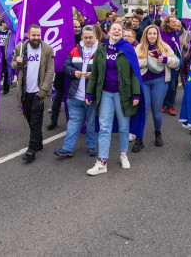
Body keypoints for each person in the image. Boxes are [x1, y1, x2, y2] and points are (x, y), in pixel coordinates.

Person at [85, 23, 141, 175]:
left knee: (124, 127)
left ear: (122, 33)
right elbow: (95, 73)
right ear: (108, 32)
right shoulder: (101, 49)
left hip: (124, 94)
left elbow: (134, 73)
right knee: (104, 128)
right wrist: (89, 93)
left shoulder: (128, 49)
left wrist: (136, 94)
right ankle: (102, 162)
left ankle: (123, 154)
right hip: (105, 94)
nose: (116, 31)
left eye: (119, 29)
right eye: (113, 29)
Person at [11, 24, 55, 162]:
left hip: (38, 91)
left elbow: (50, 70)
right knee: (29, 117)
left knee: (35, 120)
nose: (36, 38)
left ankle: (31, 149)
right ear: (28, 35)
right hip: (25, 91)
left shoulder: (47, 49)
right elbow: (13, 64)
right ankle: (38, 141)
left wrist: (44, 89)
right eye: (33, 35)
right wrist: (17, 63)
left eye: (38, 35)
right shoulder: (20, 48)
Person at [54, 25, 99, 158]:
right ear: (82, 37)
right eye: (85, 37)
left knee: (91, 123)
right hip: (75, 95)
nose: (88, 40)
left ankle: (91, 146)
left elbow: (106, 69)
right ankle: (67, 148)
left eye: (90, 37)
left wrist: (94, 74)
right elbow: (66, 66)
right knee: (73, 121)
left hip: (92, 95)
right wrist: (74, 72)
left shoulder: (101, 50)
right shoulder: (75, 50)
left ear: (96, 36)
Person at [135, 25, 179, 149]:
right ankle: (139, 138)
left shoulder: (164, 47)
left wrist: (165, 60)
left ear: (158, 35)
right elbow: (134, 63)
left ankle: (158, 133)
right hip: (143, 82)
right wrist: (149, 60)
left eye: (155, 33)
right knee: (143, 110)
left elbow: (176, 61)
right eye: (150, 33)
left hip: (159, 82)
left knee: (157, 110)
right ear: (146, 35)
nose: (152, 36)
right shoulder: (140, 47)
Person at [47, 22, 80, 130]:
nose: (77, 28)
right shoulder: (63, 37)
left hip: (76, 73)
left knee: (76, 98)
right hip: (62, 72)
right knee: (58, 95)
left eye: (79, 26)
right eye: (75, 26)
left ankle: (76, 122)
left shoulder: (83, 39)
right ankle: (53, 120)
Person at [160, 16, 181, 116]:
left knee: (171, 86)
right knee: (162, 85)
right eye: (173, 22)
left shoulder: (176, 33)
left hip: (172, 63)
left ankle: (170, 105)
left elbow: (178, 50)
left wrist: (178, 63)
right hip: (161, 63)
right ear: (167, 23)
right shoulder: (160, 31)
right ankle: (162, 104)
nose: (175, 24)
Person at [0, 20, 12, 95]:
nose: (8, 24)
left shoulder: (10, 32)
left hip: (6, 56)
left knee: (6, 73)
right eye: (6, 22)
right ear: (2, 23)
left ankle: (6, 89)